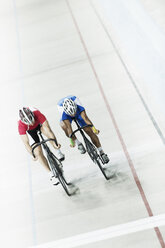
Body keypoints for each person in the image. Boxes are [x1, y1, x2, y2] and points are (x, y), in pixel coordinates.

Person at [18, 107, 65, 184]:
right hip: (30, 132)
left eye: (32, 120)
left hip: (40, 125)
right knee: (37, 152)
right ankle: (51, 175)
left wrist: (55, 143)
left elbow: (48, 129)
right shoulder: (21, 125)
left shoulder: (37, 113)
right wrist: (32, 154)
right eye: (29, 123)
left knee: (47, 132)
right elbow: (26, 143)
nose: (31, 123)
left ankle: (58, 151)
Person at [57, 95, 109, 164]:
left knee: (89, 131)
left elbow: (85, 118)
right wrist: (72, 142)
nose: (73, 115)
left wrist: (94, 129)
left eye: (74, 113)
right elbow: (69, 128)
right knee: (64, 127)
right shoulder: (63, 112)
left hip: (78, 112)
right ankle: (78, 143)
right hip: (66, 115)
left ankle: (101, 152)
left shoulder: (78, 105)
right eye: (72, 114)